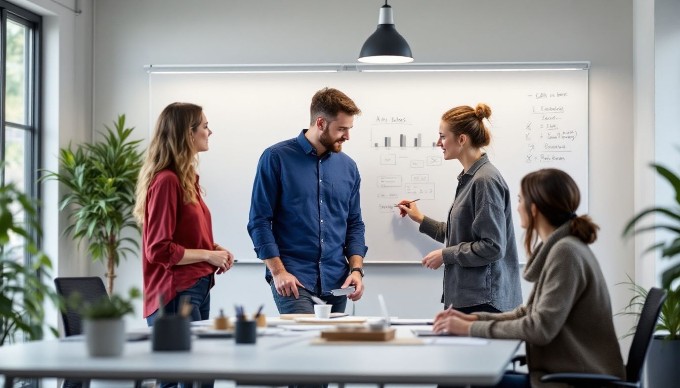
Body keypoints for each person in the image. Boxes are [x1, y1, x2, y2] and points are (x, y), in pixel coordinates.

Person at [432, 168, 625, 388]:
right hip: (564, 374)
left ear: (533, 209)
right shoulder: (561, 248)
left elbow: (539, 328)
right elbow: (530, 312)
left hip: (573, 380)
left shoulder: (566, 254)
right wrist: (475, 319)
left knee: (473, 379)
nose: (516, 207)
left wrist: (468, 329)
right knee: (471, 377)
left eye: (519, 199)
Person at [134, 103, 234, 387]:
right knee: (183, 379)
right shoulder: (166, 181)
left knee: (201, 377)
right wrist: (208, 255)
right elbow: (159, 249)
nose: (209, 131)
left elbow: (186, 236)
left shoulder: (186, 179)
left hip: (196, 286)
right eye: (204, 126)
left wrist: (216, 249)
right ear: (187, 134)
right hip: (174, 292)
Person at [247, 87, 367, 317]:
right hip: (293, 278)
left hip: (337, 281)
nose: (347, 136)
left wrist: (357, 270)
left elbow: (354, 224)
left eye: (349, 129)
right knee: (302, 345)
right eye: (341, 129)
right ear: (320, 123)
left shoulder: (349, 167)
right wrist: (278, 272)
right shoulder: (276, 158)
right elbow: (259, 221)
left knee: (332, 348)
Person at [398, 103, 522, 314]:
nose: (439, 143)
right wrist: (421, 219)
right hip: (473, 298)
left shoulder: (485, 181)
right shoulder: (471, 178)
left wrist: (446, 255)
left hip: (483, 302)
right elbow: (462, 234)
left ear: (462, 139)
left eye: (443, 136)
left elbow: (492, 246)